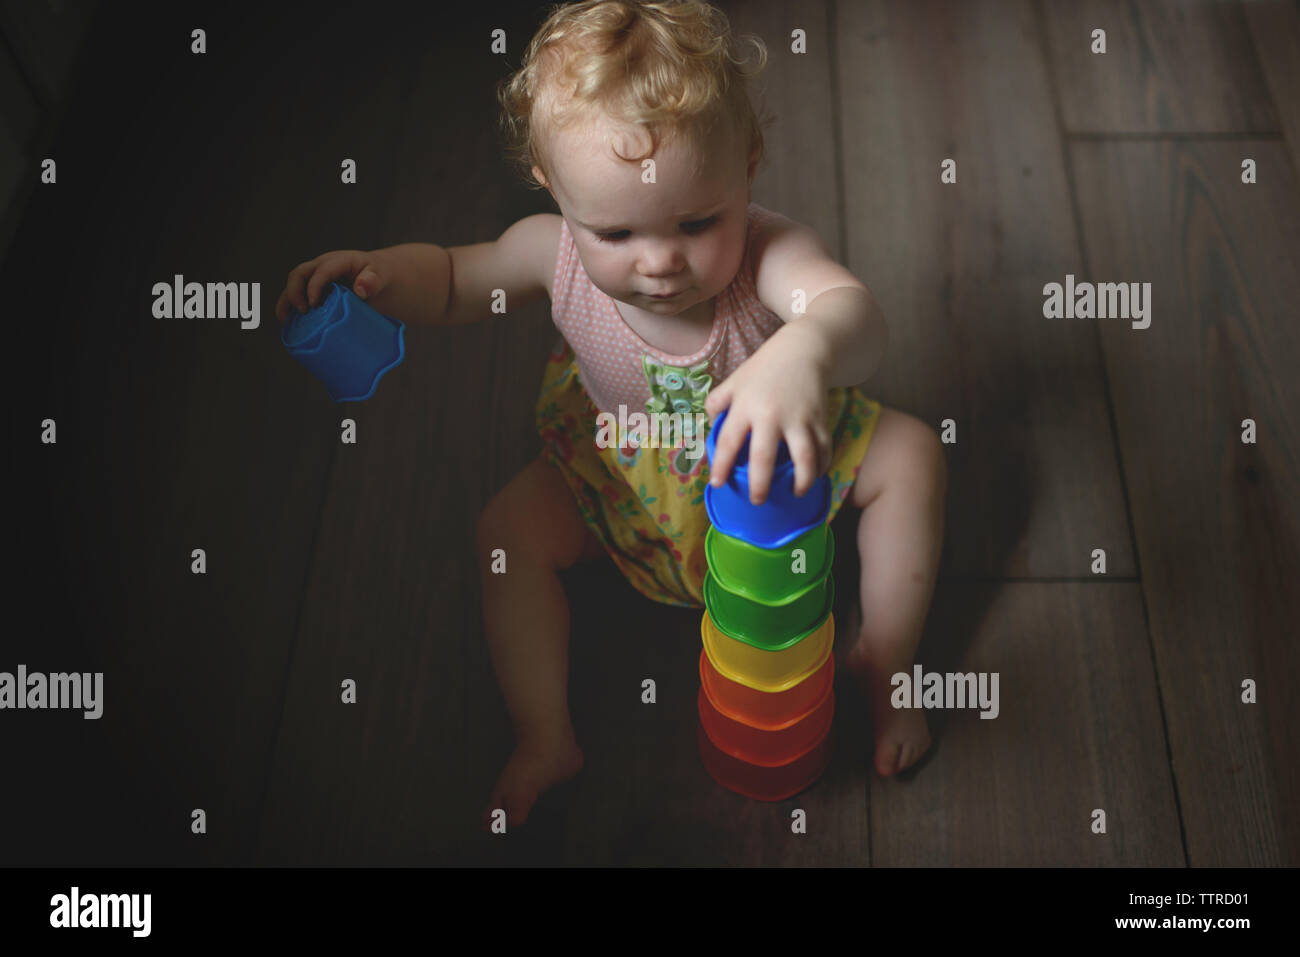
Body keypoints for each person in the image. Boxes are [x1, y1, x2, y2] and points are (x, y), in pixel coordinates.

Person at [275, 0, 946, 830]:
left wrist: (805, 350)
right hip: (621, 476)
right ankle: (544, 733)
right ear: (555, 192)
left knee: (913, 455)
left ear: (748, 165)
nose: (660, 260)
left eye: (697, 222)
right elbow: (451, 280)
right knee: (506, 534)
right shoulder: (549, 252)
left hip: (772, 462)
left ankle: (887, 656)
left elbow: (854, 315)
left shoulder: (772, 254)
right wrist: (379, 277)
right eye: (616, 232)